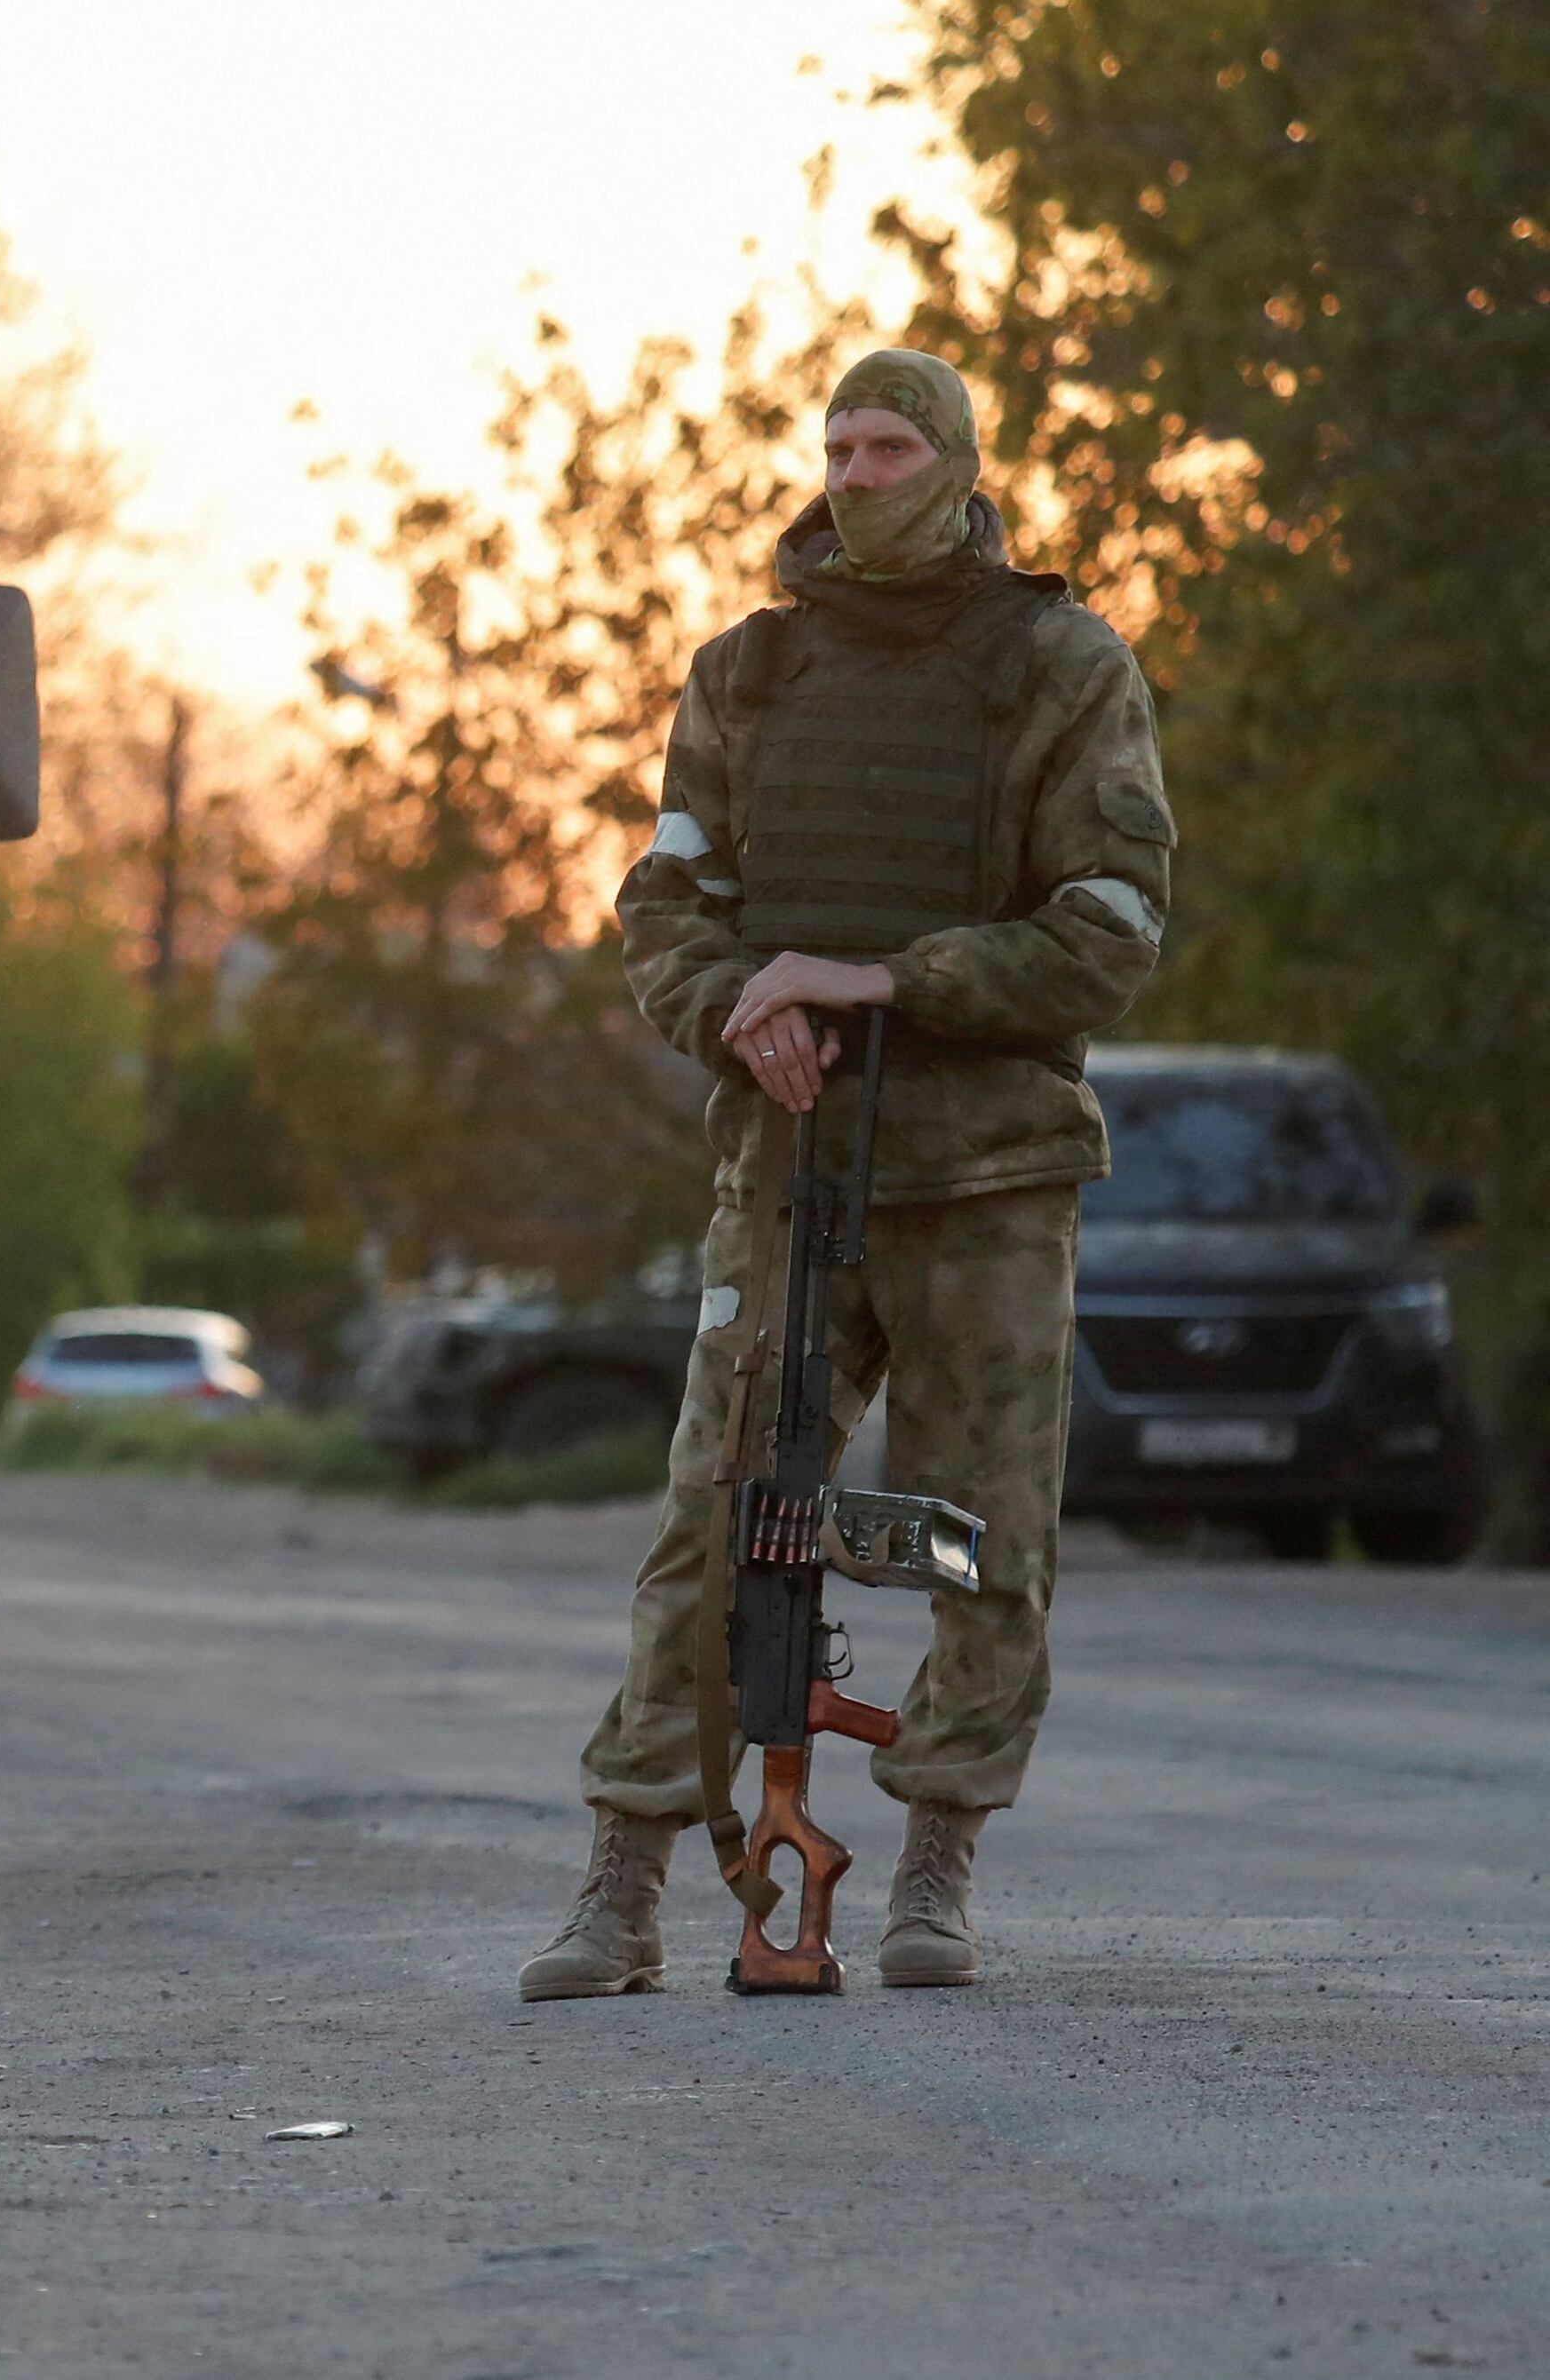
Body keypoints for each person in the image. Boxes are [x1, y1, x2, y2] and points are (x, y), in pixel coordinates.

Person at [522, 346, 1173, 2001]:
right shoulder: (747, 674)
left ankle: (936, 1866)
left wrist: (882, 983)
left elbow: (1109, 930)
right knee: (714, 1526)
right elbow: (665, 905)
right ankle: (623, 1888)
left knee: (977, 1536)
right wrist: (745, 1012)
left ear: (957, 466)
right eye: (841, 448)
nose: (860, 475)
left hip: (988, 1176)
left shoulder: (1061, 666)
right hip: (788, 1165)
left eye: (892, 447)